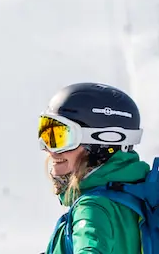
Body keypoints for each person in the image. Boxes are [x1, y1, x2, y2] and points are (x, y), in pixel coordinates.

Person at [39, 82, 151, 254]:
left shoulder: (92, 208)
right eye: (46, 133)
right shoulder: (142, 195)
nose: (48, 149)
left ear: (101, 143)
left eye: (60, 137)